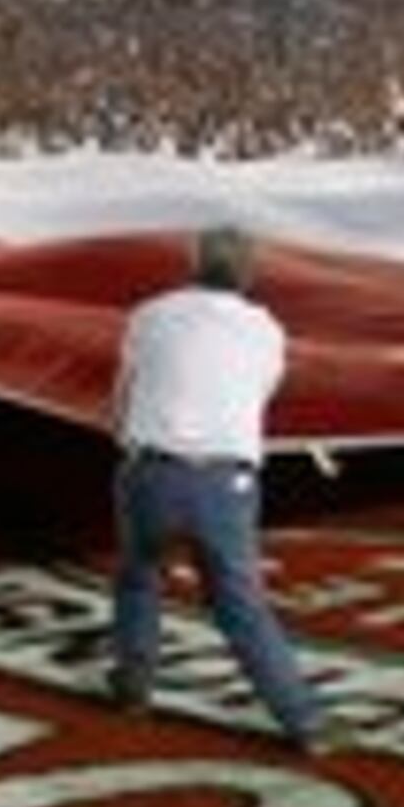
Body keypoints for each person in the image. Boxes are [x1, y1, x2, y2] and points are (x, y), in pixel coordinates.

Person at [105, 225, 337, 753]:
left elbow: (122, 397)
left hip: (151, 471)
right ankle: (305, 722)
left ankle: (134, 684)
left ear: (193, 263)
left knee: (139, 577)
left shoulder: (150, 313)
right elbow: (258, 394)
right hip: (225, 482)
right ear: (249, 272)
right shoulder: (266, 329)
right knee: (240, 604)